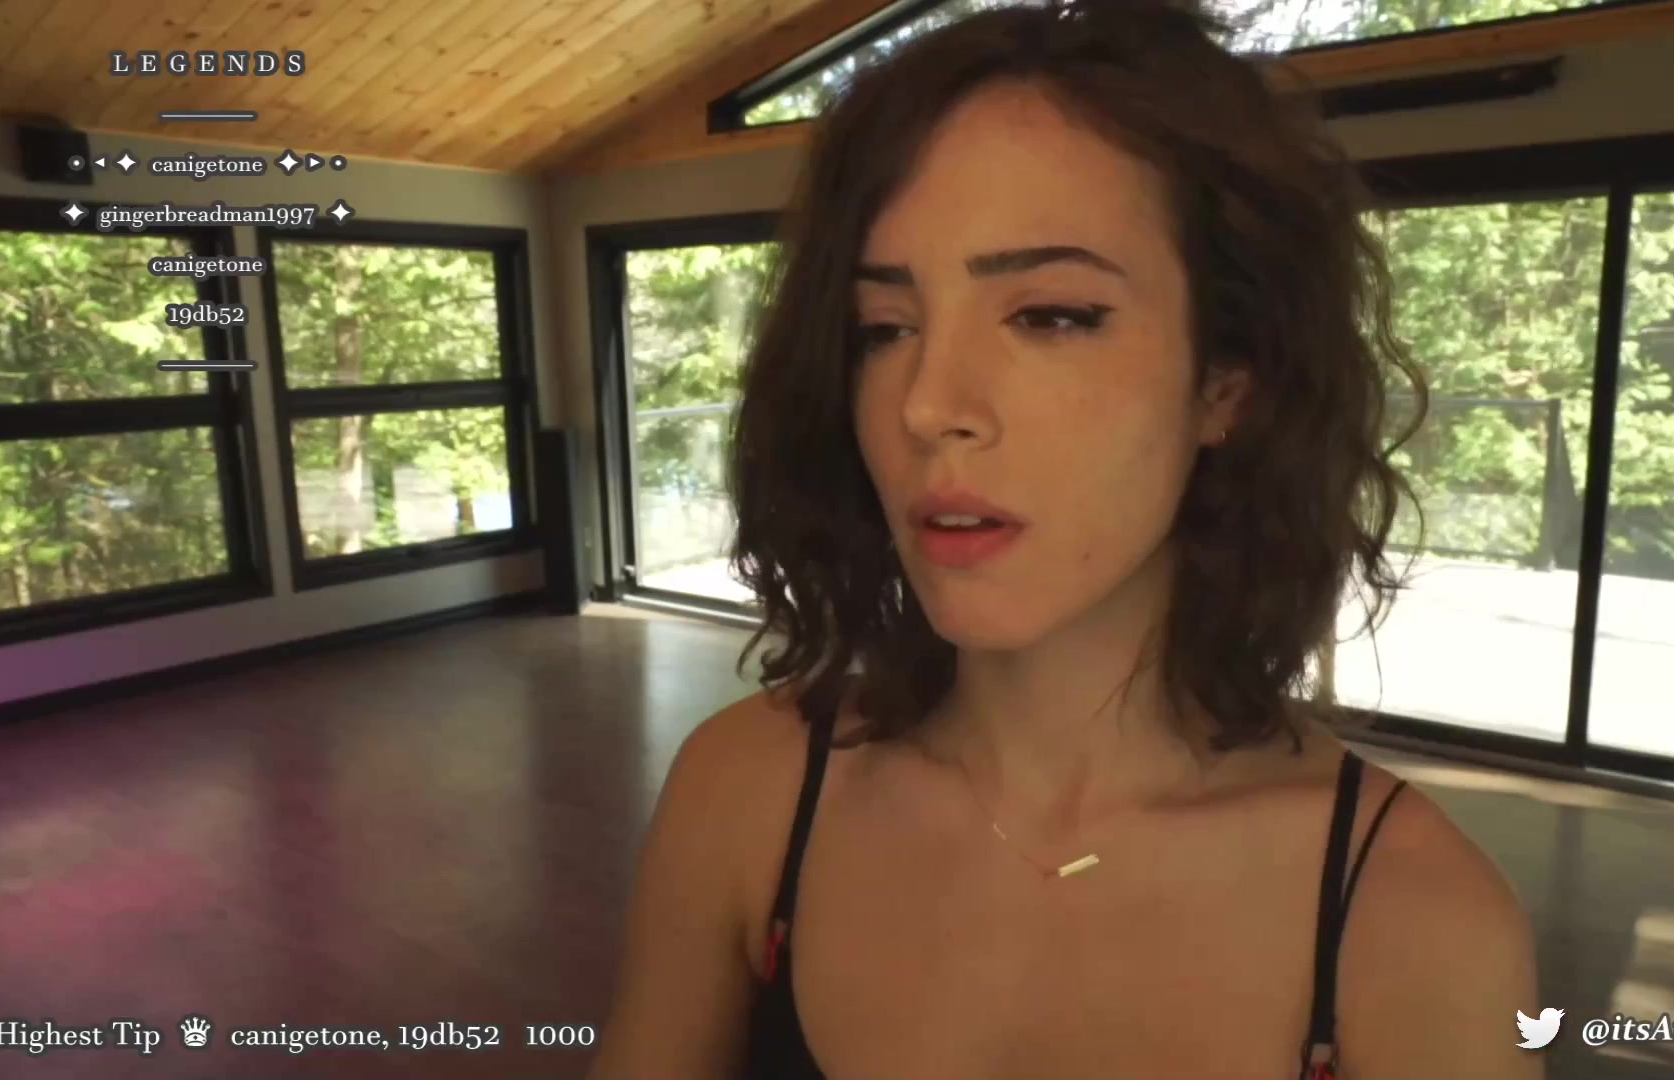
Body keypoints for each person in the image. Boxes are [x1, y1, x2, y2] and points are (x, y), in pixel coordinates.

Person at [591, 1, 1540, 1078]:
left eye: (1049, 316)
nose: (927, 404)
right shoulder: (748, 795)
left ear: (1226, 381)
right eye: (883, 329)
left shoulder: (1418, 921)